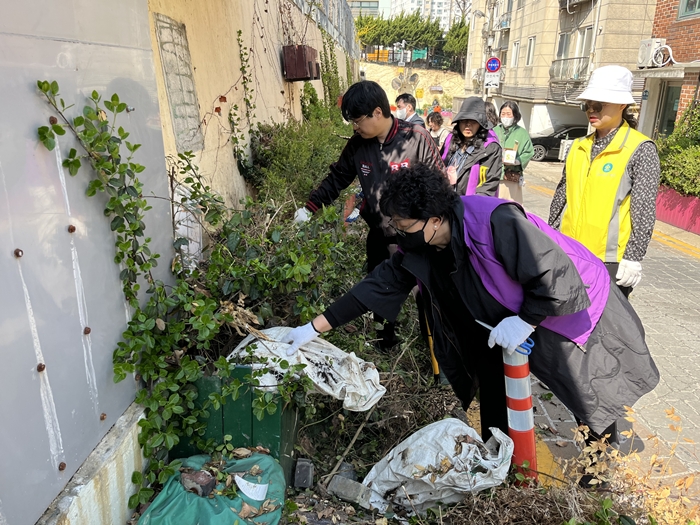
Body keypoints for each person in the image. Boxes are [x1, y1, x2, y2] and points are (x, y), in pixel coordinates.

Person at [285, 163, 659, 453]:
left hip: (573, 302)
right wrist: (309, 330)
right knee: (493, 379)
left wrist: (525, 321)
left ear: (434, 220)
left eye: (403, 226)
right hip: (502, 319)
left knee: (586, 390)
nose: (398, 234)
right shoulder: (424, 246)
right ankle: (501, 456)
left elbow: (553, 276)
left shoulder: (494, 221)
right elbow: (373, 288)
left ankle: (598, 466)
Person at [294, 81, 444, 348]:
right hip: (379, 231)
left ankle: (435, 345)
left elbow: (439, 185)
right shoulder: (358, 145)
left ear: (377, 112)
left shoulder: (416, 138)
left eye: (357, 120)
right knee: (379, 286)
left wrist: (429, 231)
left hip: (417, 236)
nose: (354, 127)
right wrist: (309, 208)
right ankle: (385, 340)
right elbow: (338, 178)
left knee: (426, 292)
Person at [548, 65, 661, 298]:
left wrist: (633, 257)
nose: (592, 110)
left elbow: (643, 209)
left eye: (599, 105)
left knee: (603, 320)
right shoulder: (578, 146)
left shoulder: (640, 149)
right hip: (569, 250)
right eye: (587, 104)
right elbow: (561, 196)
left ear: (622, 105)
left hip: (609, 259)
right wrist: (550, 235)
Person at [443, 97, 502, 196]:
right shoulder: (451, 139)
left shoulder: (490, 148)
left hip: (470, 202)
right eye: (464, 121)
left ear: (481, 124)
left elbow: (488, 186)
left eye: (473, 121)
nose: (468, 125)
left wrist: (470, 204)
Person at [494, 101, 535, 204]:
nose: (505, 117)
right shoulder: (494, 131)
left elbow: (529, 152)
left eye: (508, 114)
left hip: (510, 177)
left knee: (509, 206)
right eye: (503, 114)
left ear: (515, 116)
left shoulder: (522, 133)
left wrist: (517, 161)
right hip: (494, 175)